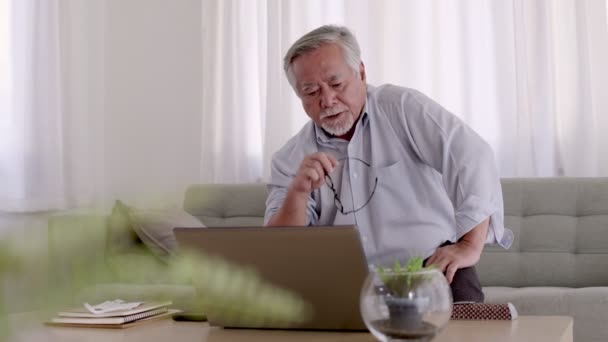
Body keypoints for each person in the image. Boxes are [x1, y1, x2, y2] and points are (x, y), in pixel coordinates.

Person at [264, 25, 513, 303]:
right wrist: (297, 193)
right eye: (310, 92)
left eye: (336, 84)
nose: (327, 100)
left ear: (360, 72)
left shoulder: (402, 107)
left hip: (432, 268)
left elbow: (472, 154)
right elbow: (280, 249)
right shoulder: (289, 158)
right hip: (346, 285)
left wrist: (469, 244)